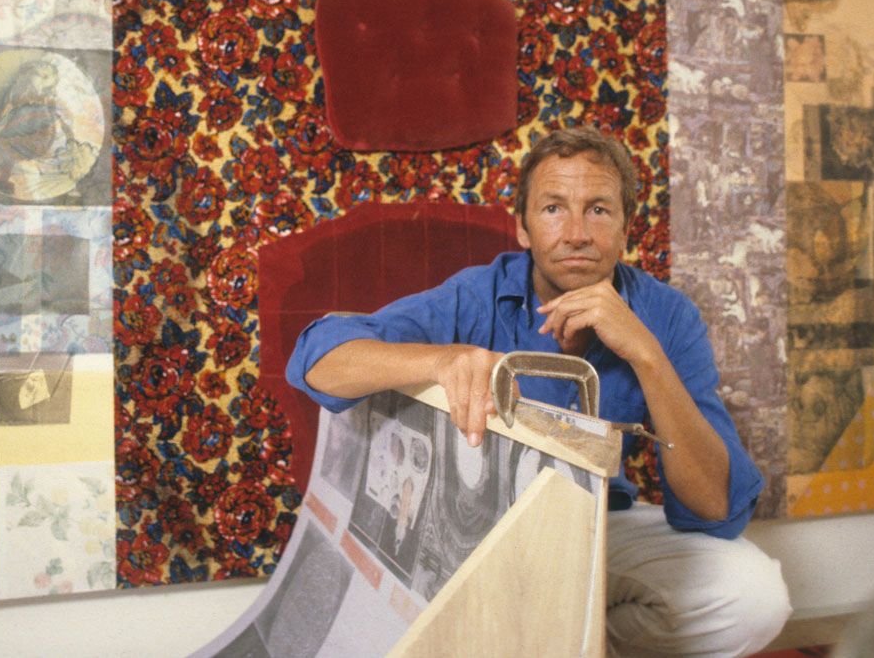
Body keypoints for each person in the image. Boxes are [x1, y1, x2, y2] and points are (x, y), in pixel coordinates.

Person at [286, 126, 791, 657]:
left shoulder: (667, 314)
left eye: (598, 210)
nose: (576, 233)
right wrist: (442, 358)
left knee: (753, 596)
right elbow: (318, 357)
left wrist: (645, 354)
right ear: (523, 229)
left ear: (625, 231)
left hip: (601, 523)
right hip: (480, 540)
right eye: (553, 208)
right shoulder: (477, 297)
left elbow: (714, 510)